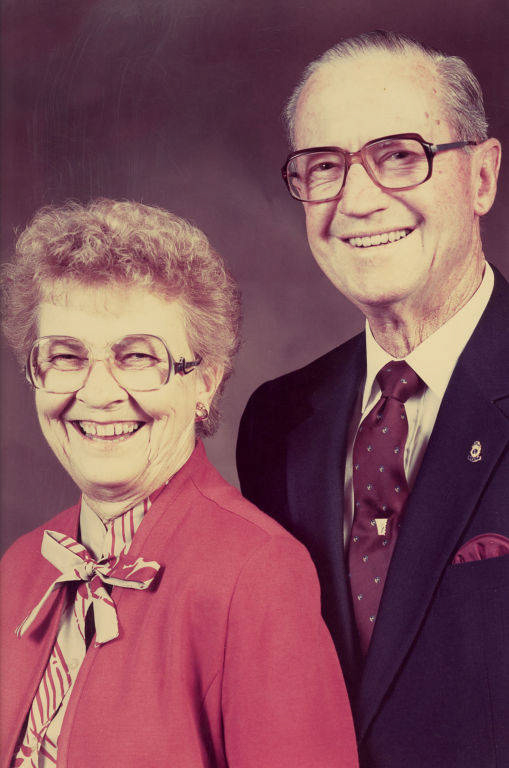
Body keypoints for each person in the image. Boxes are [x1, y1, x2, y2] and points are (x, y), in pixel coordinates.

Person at [0, 199, 358, 768]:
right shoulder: (20, 569)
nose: (96, 394)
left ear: (205, 384)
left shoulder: (258, 573)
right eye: (65, 356)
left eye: (138, 356)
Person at [237, 30, 509, 768]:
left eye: (398, 156)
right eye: (324, 167)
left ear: (481, 178)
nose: (357, 201)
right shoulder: (277, 422)